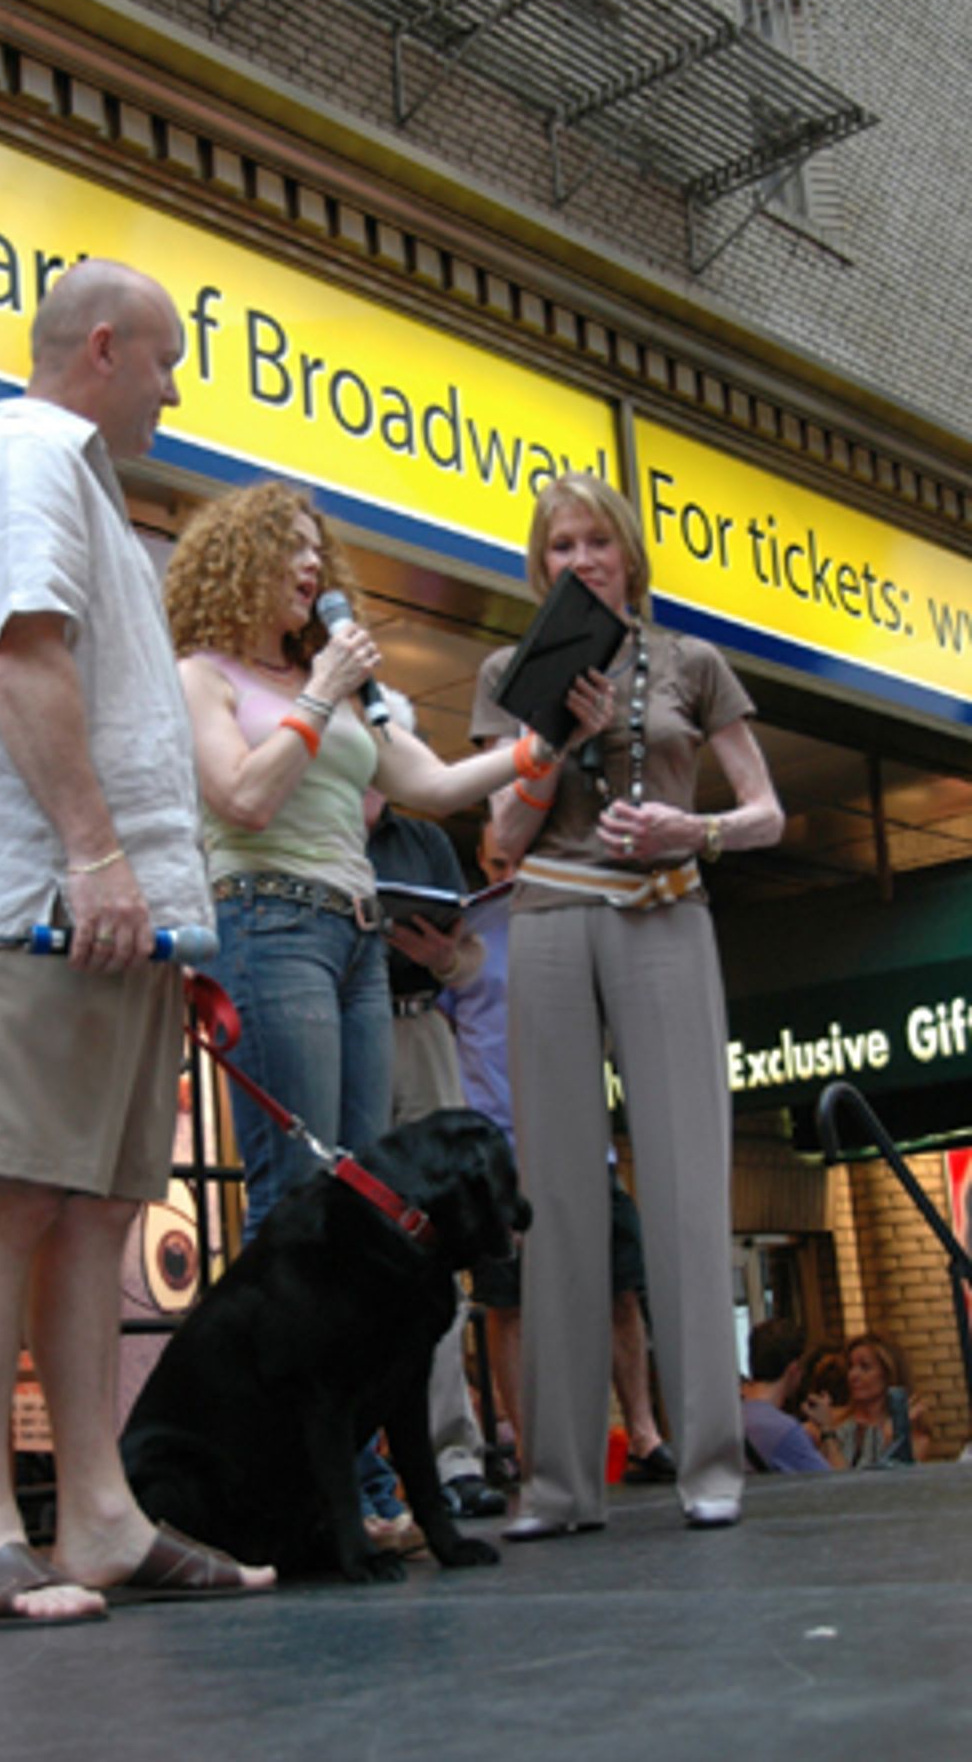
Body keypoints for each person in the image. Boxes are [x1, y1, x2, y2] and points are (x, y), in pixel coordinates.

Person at [0, 258, 275, 1627]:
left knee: (99, 1209)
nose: (177, 391)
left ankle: (101, 1518)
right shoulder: (24, 457)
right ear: (106, 347)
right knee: (5, 1192)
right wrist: (91, 854)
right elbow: (23, 657)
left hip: (114, 916)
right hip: (35, 903)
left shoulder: (88, 492)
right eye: (170, 362)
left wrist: (158, 903)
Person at [163, 480, 547, 1545]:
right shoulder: (205, 674)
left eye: (315, 551)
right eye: (288, 550)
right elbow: (241, 795)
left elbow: (424, 783)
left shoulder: (331, 687)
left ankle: (361, 1486)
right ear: (236, 562)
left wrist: (535, 747)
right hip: (268, 920)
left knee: (368, 1210)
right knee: (297, 1203)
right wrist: (322, 691)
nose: (310, 569)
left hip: (357, 937)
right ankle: (310, 1493)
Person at [471, 470, 785, 1536]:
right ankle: (557, 1483)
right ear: (539, 563)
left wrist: (688, 831)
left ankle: (710, 1459)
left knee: (689, 1181)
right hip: (553, 916)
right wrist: (552, 738)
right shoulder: (507, 672)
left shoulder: (693, 662)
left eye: (597, 541)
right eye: (560, 546)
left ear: (628, 554)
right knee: (555, 1194)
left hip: (666, 907)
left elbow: (768, 813)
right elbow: (500, 847)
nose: (580, 561)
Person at [437, 818, 675, 1488]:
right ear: (483, 864)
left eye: (519, 856)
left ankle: (644, 1433)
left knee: (620, 1287)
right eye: (496, 859)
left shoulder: (578, 916)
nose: (507, 869)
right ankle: (536, 1446)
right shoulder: (464, 932)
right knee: (509, 1302)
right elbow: (447, 1026)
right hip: (499, 1144)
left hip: (581, 1137)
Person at [366, 769, 506, 1521]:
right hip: (338, 1022)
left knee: (438, 1244)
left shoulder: (423, 841)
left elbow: (474, 961)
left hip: (418, 1022)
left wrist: (443, 957)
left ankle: (453, 1455)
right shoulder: (304, 813)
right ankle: (367, 1468)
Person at [805, 1332, 932, 1469]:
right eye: (851, 1367)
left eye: (865, 1367)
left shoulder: (914, 1436)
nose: (853, 1375)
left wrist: (893, 1438)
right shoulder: (832, 1420)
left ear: (888, 1374)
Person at [741, 1320, 832, 1473]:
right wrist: (827, 1431)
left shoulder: (726, 1416)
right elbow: (833, 1487)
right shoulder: (785, 1431)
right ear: (793, 1370)